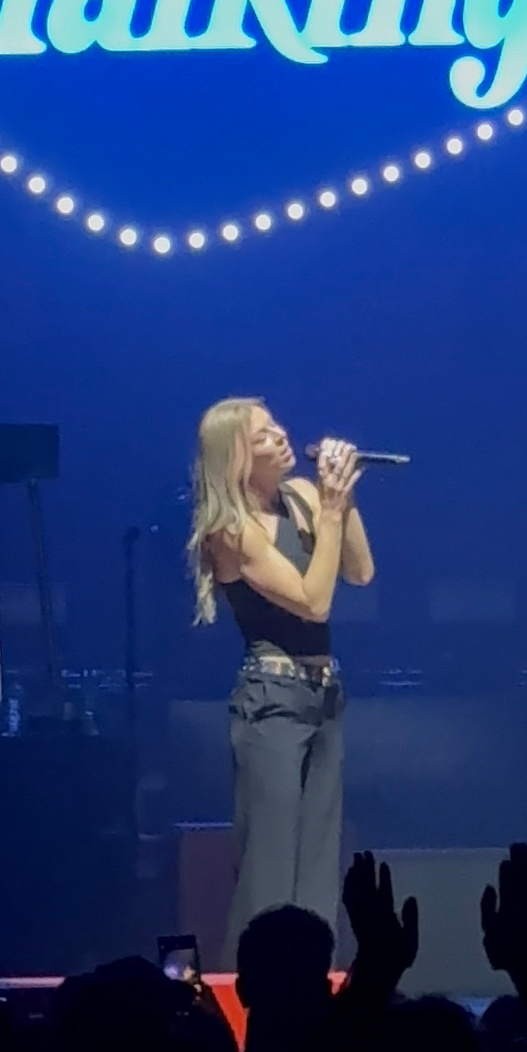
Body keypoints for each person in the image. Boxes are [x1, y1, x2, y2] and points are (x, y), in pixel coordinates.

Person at [189, 400, 373, 955]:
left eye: (278, 428)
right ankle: (248, 1001)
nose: (282, 438)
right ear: (239, 457)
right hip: (271, 701)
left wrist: (340, 497)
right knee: (270, 868)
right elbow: (313, 602)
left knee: (318, 864)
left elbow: (360, 572)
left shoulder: (306, 498)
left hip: (323, 697)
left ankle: (315, 998)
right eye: (265, 437)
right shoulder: (230, 530)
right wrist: (334, 512)